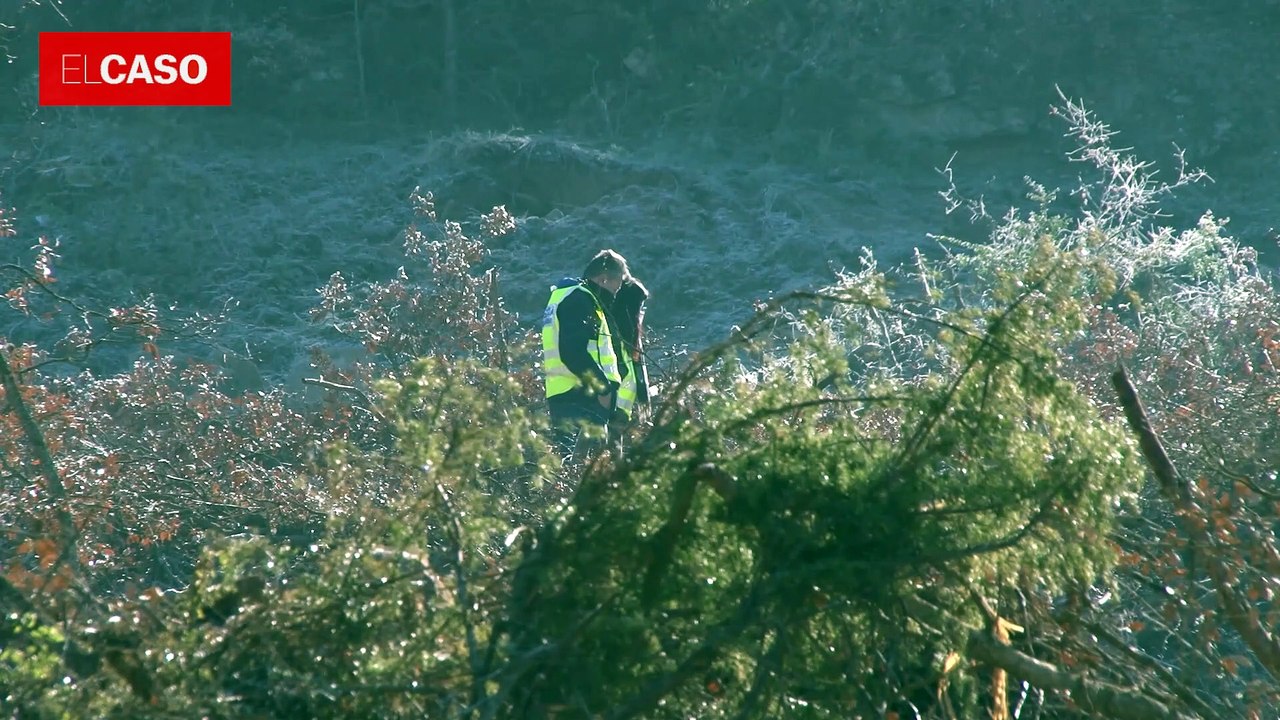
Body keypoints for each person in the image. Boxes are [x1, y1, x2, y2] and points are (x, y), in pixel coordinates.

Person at [541, 249, 634, 461]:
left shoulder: (565, 297)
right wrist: (603, 389)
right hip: (582, 397)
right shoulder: (580, 300)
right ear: (603, 279)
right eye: (615, 286)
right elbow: (572, 351)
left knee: (571, 468)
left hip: (565, 394)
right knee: (585, 469)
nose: (615, 294)